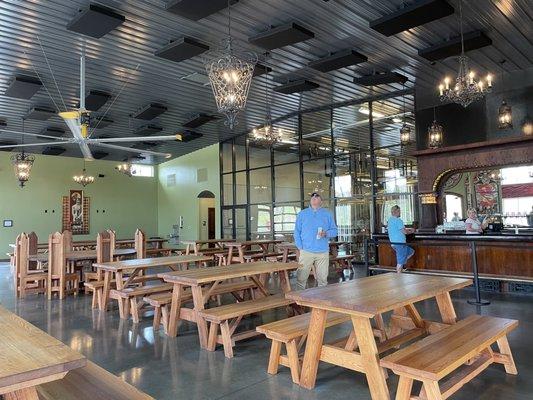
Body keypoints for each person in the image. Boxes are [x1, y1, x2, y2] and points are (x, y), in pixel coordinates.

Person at [294, 192, 338, 290]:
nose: (314, 198)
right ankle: (299, 303)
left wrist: (326, 233)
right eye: (312, 196)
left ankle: (320, 303)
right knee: (301, 279)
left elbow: (335, 231)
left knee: (322, 280)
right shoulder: (302, 214)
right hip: (306, 251)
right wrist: (300, 247)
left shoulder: (327, 214)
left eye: (317, 196)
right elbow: (296, 232)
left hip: (322, 252)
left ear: (321, 201)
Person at [387, 205, 415, 273]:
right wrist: (412, 231)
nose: (400, 213)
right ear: (396, 211)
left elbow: (399, 229)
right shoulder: (398, 220)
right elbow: (404, 232)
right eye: (399, 211)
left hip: (393, 243)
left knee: (411, 252)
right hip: (400, 243)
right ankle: (399, 274)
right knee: (400, 261)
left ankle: (401, 267)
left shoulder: (390, 220)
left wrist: (408, 229)